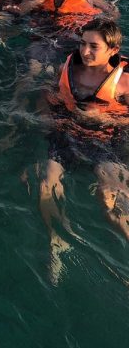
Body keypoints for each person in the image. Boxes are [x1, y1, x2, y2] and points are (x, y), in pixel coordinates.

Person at [39, 19, 129, 279]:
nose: (85, 51)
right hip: (68, 134)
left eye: (94, 46)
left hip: (105, 141)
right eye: (82, 43)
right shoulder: (69, 68)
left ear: (113, 50)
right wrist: (46, 119)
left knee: (109, 197)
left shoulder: (124, 83)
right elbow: (48, 95)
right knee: (46, 183)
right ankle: (56, 240)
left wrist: (105, 118)